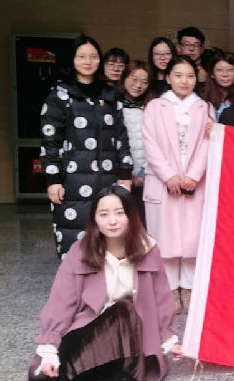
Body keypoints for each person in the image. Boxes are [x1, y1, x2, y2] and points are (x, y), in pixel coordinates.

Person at [24, 186, 181, 381]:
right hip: (94, 329)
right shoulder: (80, 251)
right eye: (104, 214)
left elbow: (161, 298)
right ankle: (96, 366)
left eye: (120, 213)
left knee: (126, 307)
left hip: (136, 332)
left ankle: (131, 372)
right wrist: (50, 350)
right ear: (94, 219)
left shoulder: (148, 249)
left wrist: (168, 339)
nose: (112, 221)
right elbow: (61, 302)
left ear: (131, 216)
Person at [41, 35, 133, 257]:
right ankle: (75, 279)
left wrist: (125, 174)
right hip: (72, 182)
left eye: (93, 56)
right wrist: (53, 180)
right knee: (74, 238)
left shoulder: (110, 95)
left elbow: (121, 137)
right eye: (81, 56)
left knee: (109, 238)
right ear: (72, 60)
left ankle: (106, 280)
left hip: (107, 179)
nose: (88, 61)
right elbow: (50, 141)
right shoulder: (60, 95)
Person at [141, 55, 215, 315]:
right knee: (166, 239)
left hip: (195, 183)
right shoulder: (155, 107)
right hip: (164, 183)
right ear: (169, 77)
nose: (185, 81)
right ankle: (170, 289)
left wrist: (194, 175)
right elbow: (149, 143)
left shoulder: (204, 107)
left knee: (193, 239)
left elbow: (208, 143)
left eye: (190, 76)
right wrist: (168, 175)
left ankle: (190, 288)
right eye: (179, 75)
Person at [118, 60, 151, 220]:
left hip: (145, 175)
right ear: (124, 77)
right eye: (134, 79)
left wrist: (144, 172)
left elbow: (155, 143)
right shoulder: (113, 106)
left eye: (144, 82)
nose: (138, 85)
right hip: (119, 175)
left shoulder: (151, 107)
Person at [202, 51, 234, 121]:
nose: (225, 74)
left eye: (230, 70)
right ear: (212, 74)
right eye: (219, 70)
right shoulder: (202, 98)